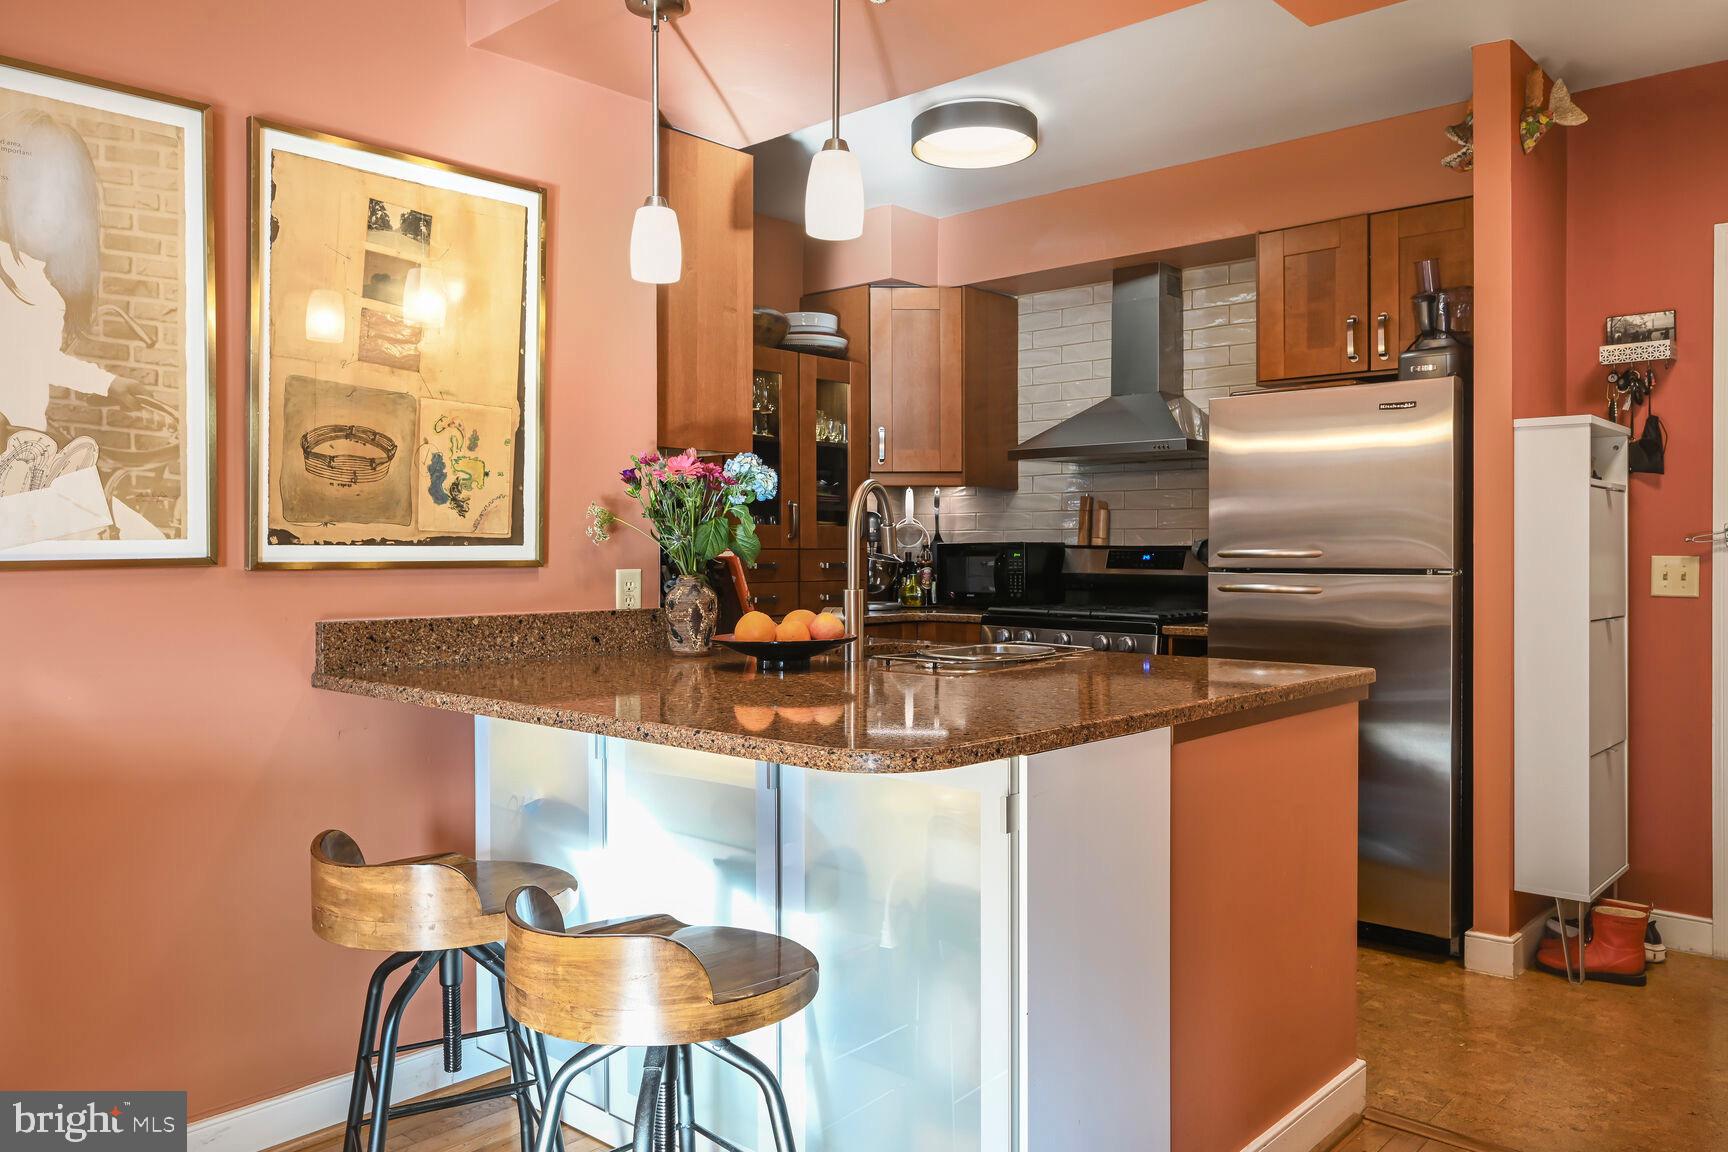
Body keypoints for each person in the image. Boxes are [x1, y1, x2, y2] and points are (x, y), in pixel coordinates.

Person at [0, 108, 137, 438]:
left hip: (22, 452)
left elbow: (42, 360)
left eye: (67, 199)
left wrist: (108, 383)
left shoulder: (44, 292)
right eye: (35, 192)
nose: (52, 213)